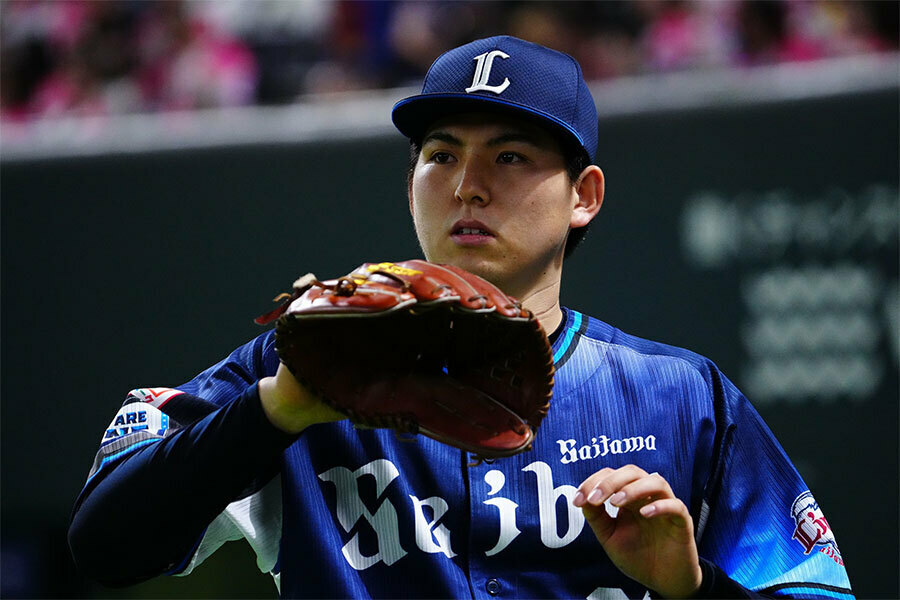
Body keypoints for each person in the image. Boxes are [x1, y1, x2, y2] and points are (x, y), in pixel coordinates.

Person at [68, 36, 854, 599]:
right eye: (440, 154)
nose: (467, 185)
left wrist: (688, 589)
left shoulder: (682, 397)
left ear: (584, 197)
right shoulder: (300, 367)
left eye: (510, 156)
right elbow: (104, 547)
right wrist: (276, 411)